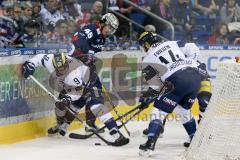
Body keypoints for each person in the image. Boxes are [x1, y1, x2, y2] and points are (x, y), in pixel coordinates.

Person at [22, 52, 129, 146]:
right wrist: (31, 64)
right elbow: (40, 58)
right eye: (58, 69)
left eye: (63, 68)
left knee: (95, 106)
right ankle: (64, 125)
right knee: (75, 105)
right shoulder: (51, 60)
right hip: (75, 85)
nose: (60, 71)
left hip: (90, 82)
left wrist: (67, 99)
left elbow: (78, 92)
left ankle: (115, 132)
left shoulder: (73, 74)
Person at [137, 32, 202, 156]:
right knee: (182, 110)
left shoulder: (146, 61)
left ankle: (149, 144)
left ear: (146, 44)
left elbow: (156, 87)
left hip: (177, 80)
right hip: (195, 77)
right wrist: (189, 64)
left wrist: (146, 99)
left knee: (158, 112)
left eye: (143, 45)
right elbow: (192, 47)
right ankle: (195, 138)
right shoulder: (172, 43)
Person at [70, 13, 119, 130]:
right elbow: (76, 39)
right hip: (74, 66)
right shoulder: (92, 29)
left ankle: (86, 124)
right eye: (109, 27)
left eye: (113, 30)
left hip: (85, 67)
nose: (110, 31)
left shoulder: (102, 37)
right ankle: (64, 122)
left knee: (92, 95)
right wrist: (89, 54)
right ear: (102, 23)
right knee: (93, 94)